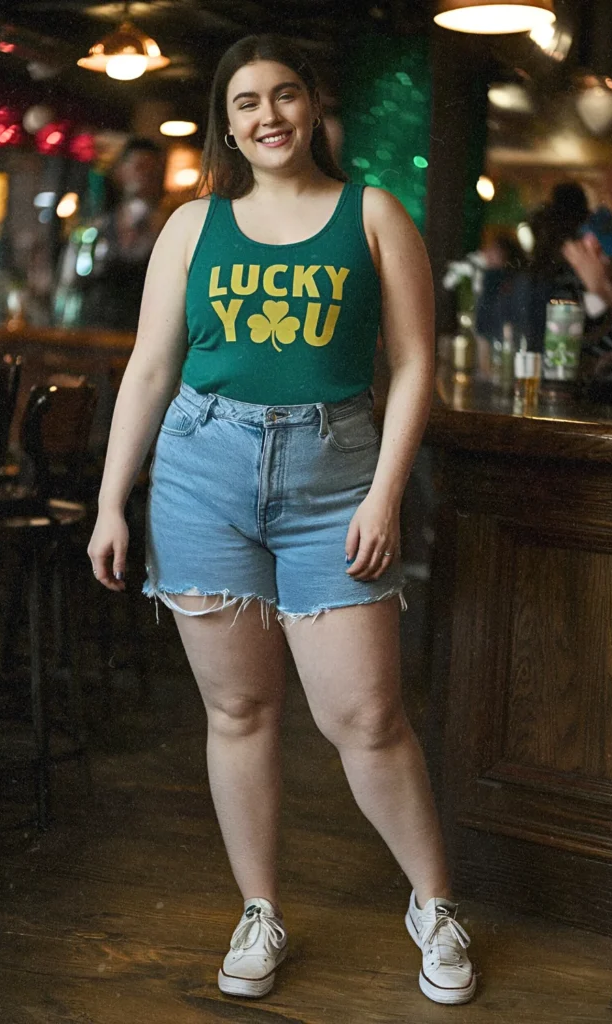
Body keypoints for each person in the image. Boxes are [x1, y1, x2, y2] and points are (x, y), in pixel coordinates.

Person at [87, 34, 476, 1006]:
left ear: (312, 107)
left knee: (366, 717)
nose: (269, 115)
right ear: (226, 124)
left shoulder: (371, 214)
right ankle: (258, 909)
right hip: (199, 474)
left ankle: (433, 905)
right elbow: (150, 368)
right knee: (237, 711)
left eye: (286, 94)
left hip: (335, 478)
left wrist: (385, 492)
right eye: (247, 101)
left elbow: (413, 366)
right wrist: (110, 500)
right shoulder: (193, 225)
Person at [55, 138, 168, 330]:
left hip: (142, 336)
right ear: (120, 172)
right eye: (139, 167)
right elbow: (68, 285)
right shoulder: (94, 231)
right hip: (92, 333)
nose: (146, 176)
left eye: (153, 171)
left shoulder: (169, 233)